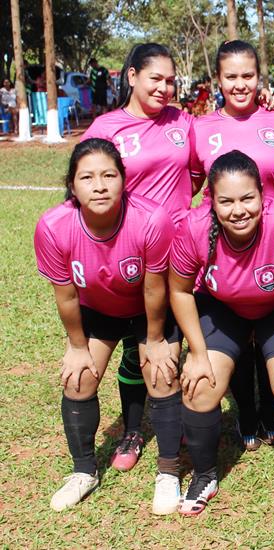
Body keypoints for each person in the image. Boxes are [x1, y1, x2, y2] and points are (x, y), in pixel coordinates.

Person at [169, 150, 274, 516]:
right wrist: (196, 354)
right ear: (211, 201)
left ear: (263, 194)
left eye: (247, 198)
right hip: (222, 310)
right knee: (200, 386)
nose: (238, 210)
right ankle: (204, 474)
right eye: (226, 201)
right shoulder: (194, 228)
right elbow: (179, 291)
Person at [34, 138, 183, 515]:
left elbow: (154, 288)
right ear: (72, 185)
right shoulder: (53, 227)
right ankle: (84, 471)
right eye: (87, 177)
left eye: (108, 175)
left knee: (162, 372)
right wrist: (78, 346)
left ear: (123, 179)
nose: (99, 185)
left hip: (150, 310)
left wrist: (154, 339)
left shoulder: (151, 219)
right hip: (98, 312)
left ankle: (169, 472)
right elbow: (66, 297)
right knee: (78, 378)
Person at [190, 40, 274, 449]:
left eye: (248, 75)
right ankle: (247, 410)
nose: (240, 84)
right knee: (235, 329)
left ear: (259, 77)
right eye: (231, 76)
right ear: (218, 80)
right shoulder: (202, 126)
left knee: (271, 326)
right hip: (224, 244)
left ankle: (271, 411)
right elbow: (190, 183)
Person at [82, 43, 199, 475]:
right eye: (156, 78)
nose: (165, 88)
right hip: (127, 253)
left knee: (171, 337)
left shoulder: (182, 121)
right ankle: (133, 428)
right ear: (132, 76)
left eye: (171, 80)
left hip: (179, 252)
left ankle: (180, 416)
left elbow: (203, 164)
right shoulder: (106, 127)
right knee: (135, 341)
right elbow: (86, 187)